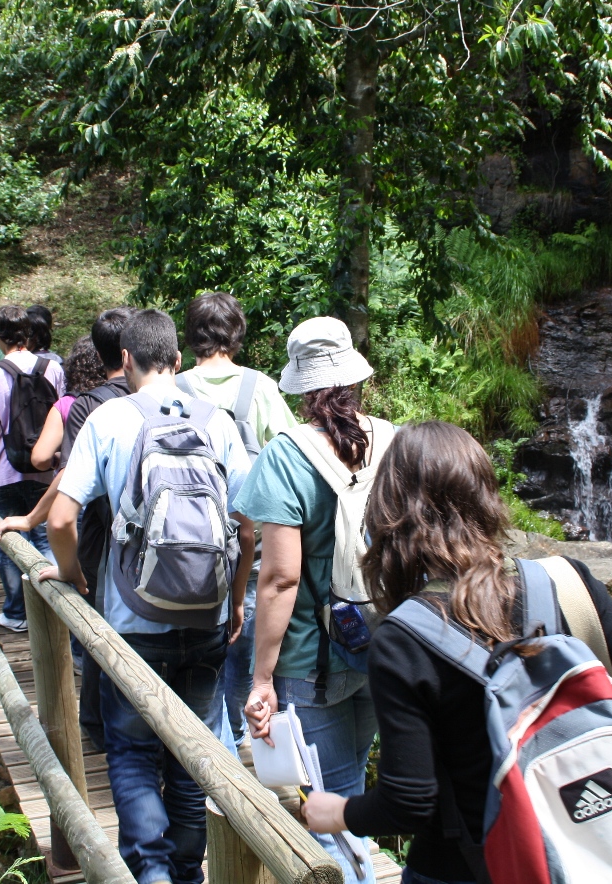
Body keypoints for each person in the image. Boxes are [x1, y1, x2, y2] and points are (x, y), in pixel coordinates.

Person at [297, 421, 612, 884]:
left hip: (466, 867)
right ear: (484, 495)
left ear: (391, 514)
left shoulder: (402, 639)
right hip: (582, 856)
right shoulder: (565, 581)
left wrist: (338, 812)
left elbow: (409, 801)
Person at [39, 309, 254, 884]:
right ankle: (187, 872)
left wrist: (72, 577)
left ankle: (149, 874)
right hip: (207, 619)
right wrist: (234, 601)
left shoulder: (108, 420)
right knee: (192, 760)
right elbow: (248, 524)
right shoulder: (219, 422)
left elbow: (62, 517)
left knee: (132, 756)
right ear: (178, 362)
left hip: (132, 622)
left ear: (126, 360)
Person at [238, 316, 392, 884]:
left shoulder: (287, 455)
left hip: (309, 658)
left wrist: (260, 679)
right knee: (350, 783)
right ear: (355, 379)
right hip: (382, 642)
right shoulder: (390, 440)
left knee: (329, 802)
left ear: (301, 387)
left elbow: (278, 578)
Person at [0, 307, 136, 749]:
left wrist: (36, 523)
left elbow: (67, 477)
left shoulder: (87, 407)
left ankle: (96, 725)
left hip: (97, 537)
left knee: (97, 628)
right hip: (150, 541)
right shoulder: (160, 399)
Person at [176, 292, 297, 748]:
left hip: (190, 538)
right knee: (246, 630)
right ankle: (249, 724)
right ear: (237, 334)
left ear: (191, 337)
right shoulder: (260, 388)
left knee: (203, 638)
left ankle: (213, 736)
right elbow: (289, 455)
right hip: (256, 535)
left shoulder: (174, 389)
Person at [0, 305, 66, 633]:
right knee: (45, 539)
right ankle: (57, 607)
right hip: (45, 471)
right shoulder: (52, 368)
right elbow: (62, 417)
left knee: (9, 541)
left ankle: (16, 613)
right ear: (28, 333)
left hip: (3, 471)